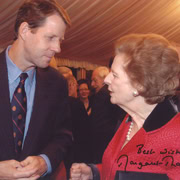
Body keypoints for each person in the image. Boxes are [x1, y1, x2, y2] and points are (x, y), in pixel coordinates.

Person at [70, 33, 180, 180]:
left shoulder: (175, 135)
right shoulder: (128, 120)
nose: (107, 80)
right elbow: (123, 167)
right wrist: (94, 172)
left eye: (114, 75)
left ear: (139, 85)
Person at [0, 0, 72, 179]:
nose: (58, 48)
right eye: (50, 38)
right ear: (25, 31)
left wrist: (45, 161)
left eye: (60, 40)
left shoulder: (57, 83)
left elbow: (63, 135)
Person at [90, 66, 125, 164]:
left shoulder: (102, 94)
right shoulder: (107, 93)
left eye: (95, 80)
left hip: (103, 141)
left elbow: (98, 122)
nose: (92, 84)